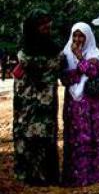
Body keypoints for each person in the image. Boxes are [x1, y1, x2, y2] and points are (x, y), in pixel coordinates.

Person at [13, 10, 61, 186]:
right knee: (25, 137)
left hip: (45, 106)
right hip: (26, 106)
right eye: (42, 25)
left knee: (45, 138)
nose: (46, 28)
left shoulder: (52, 49)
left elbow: (56, 66)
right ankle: (27, 174)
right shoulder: (25, 50)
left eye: (48, 24)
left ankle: (46, 176)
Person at [61, 22, 99, 186]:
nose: (78, 39)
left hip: (90, 105)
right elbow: (64, 78)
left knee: (91, 137)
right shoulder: (65, 53)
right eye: (75, 35)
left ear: (88, 37)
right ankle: (73, 178)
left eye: (82, 36)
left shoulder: (93, 52)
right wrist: (81, 69)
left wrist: (80, 58)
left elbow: (94, 72)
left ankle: (92, 177)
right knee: (74, 139)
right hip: (73, 104)